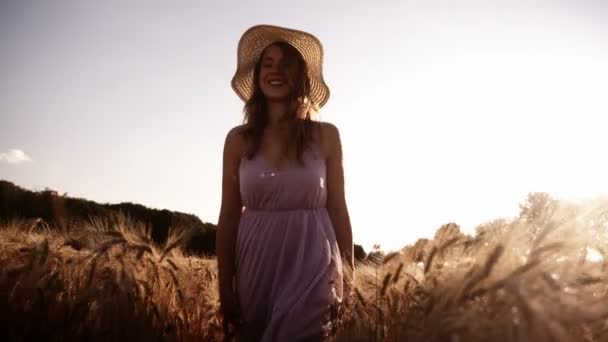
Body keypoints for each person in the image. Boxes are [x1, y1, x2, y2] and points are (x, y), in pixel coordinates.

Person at [216, 24, 354, 341]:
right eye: (268, 64)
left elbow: (338, 209)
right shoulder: (238, 140)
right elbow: (228, 216)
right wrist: (225, 287)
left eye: (286, 65)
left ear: (301, 76)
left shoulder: (327, 136)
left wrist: (348, 275)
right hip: (256, 262)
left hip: (314, 261)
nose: (275, 71)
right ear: (257, 76)